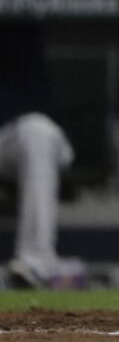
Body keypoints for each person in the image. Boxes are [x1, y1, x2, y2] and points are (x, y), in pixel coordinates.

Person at [0, 22, 83, 289]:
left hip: (14, 131)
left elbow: (31, 97)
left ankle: (35, 264)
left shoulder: (15, 22)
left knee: (37, 132)